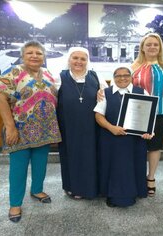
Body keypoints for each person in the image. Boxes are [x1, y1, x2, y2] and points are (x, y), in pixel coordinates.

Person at [0, 41, 62, 223]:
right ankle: (15, 203)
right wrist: (10, 127)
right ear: (23, 55)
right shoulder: (13, 73)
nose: (34, 56)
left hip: (44, 129)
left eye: (38, 53)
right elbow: (0, 97)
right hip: (20, 130)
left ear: (44, 56)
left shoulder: (47, 74)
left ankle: (36, 189)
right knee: (18, 168)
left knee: (40, 163)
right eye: (30, 53)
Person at [94, 67, 153, 207]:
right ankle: (111, 195)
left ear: (131, 77)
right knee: (112, 166)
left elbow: (149, 114)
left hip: (135, 140)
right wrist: (112, 128)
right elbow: (98, 115)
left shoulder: (141, 92)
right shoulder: (105, 93)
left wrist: (149, 130)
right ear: (113, 77)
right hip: (111, 138)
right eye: (118, 76)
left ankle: (135, 192)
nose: (122, 78)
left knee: (133, 165)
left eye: (126, 75)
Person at [57, 47, 108, 199]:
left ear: (87, 61)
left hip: (92, 127)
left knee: (92, 156)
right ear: (69, 59)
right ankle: (74, 187)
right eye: (75, 58)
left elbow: (107, 95)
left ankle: (93, 187)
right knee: (71, 156)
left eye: (83, 58)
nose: (79, 61)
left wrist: (103, 93)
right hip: (69, 126)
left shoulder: (96, 77)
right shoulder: (59, 77)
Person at [131, 33, 163, 196]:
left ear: (160, 48)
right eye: (148, 44)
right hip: (139, 115)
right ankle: (136, 178)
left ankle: (151, 177)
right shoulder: (134, 66)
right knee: (137, 147)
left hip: (161, 113)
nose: (152, 47)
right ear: (142, 48)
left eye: (155, 44)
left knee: (154, 147)